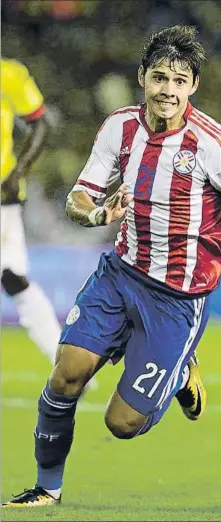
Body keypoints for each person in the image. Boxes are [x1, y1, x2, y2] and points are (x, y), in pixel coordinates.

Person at [2, 25, 221, 508]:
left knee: (122, 424)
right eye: (160, 78)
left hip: (177, 297)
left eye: (180, 81)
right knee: (65, 376)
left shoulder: (212, 142)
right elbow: (79, 196)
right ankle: (46, 489)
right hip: (119, 275)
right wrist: (96, 214)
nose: (168, 90)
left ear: (193, 86)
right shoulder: (119, 127)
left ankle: (180, 374)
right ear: (142, 77)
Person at [1, 57, 62, 366]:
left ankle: (62, 359)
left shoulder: (7, 74)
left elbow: (40, 121)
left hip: (2, 196)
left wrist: (19, 171)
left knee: (13, 278)